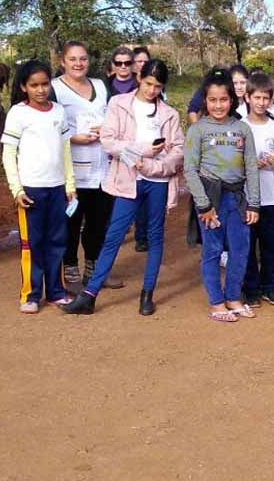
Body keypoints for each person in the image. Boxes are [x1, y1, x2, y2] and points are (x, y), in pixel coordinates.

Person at [61, 59, 185, 316]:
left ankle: (147, 294)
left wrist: (154, 166)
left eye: (158, 86)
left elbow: (178, 151)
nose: (152, 90)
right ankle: (90, 295)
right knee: (113, 235)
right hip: (128, 179)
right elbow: (109, 141)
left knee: (154, 236)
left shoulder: (169, 114)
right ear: (139, 78)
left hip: (158, 181)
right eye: (148, 83)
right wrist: (143, 151)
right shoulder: (119, 104)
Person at [183, 68, 261, 321]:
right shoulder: (197, 130)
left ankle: (233, 297)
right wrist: (203, 205)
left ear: (232, 100)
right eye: (212, 100)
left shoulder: (242, 128)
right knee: (213, 250)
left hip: (237, 198)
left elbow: (251, 166)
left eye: (224, 99)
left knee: (240, 249)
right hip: (210, 198)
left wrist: (254, 203)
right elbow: (190, 170)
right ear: (205, 101)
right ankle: (217, 302)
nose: (218, 105)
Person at [2, 60, 76, 314]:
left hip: (57, 189)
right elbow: (8, 155)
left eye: (45, 84)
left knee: (57, 241)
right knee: (32, 244)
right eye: (34, 85)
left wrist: (70, 185)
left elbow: (66, 151)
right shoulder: (18, 113)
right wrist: (17, 190)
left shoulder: (58, 112)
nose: (41, 90)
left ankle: (56, 291)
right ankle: (31, 294)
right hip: (31, 190)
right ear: (24, 87)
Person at [51, 41, 112, 287]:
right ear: (62, 61)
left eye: (83, 58)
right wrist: (72, 138)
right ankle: (70, 267)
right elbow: (48, 127)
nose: (78, 64)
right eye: (73, 59)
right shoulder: (54, 88)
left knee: (98, 221)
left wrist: (107, 130)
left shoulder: (101, 85)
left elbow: (114, 117)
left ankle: (93, 268)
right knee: (71, 220)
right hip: (72, 169)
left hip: (102, 166)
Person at [242, 72, 274, 306]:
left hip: (271, 195)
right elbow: (233, 160)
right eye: (257, 97)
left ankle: (271, 286)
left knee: (270, 243)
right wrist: (251, 163)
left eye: (265, 98)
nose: (261, 103)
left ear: (271, 100)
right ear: (247, 97)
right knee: (248, 244)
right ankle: (251, 288)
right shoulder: (240, 126)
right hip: (246, 196)